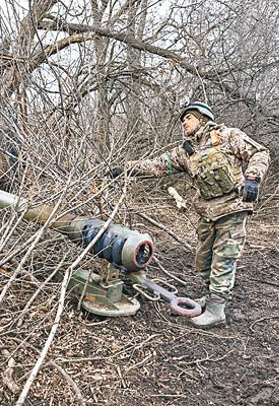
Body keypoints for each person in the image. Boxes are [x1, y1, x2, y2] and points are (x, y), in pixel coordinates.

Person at [109, 101, 269, 327]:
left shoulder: (227, 136)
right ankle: (211, 295)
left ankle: (216, 310)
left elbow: (260, 153)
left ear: (202, 118)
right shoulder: (186, 152)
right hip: (207, 213)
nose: (184, 123)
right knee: (203, 261)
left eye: (188, 118)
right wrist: (126, 168)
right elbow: (156, 165)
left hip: (233, 208)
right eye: (182, 121)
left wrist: (253, 179)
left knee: (224, 259)